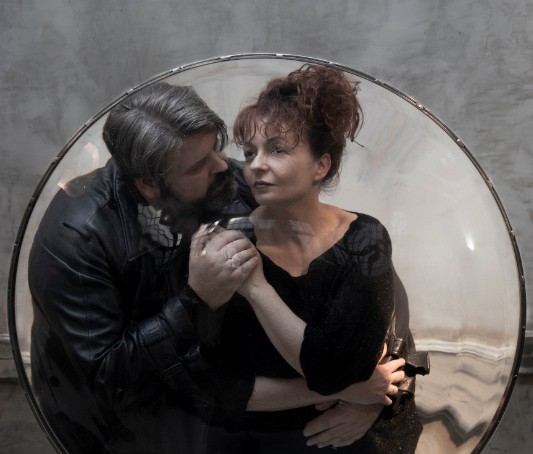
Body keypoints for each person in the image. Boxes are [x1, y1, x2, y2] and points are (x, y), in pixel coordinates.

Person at [28, 82, 405, 454]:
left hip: (227, 417)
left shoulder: (230, 181)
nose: (226, 166)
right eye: (199, 165)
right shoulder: (77, 237)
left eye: (217, 148)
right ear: (149, 184)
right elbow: (107, 380)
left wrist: (373, 397)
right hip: (113, 427)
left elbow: (365, 287)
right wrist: (196, 300)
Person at [197, 65, 424, 453]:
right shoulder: (225, 242)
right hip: (255, 443)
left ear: (322, 165)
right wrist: (356, 390)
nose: (255, 165)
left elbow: (335, 367)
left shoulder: (364, 239)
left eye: (277, 150)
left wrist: (257, 289)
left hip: (358, 441)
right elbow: (213, 385)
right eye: (250, 152)